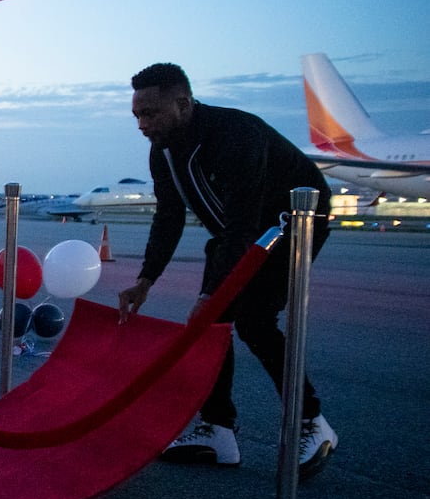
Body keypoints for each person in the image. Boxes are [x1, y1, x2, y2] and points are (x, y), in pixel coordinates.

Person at [116, 62, 338, 476]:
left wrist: (210, 294)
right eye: (137, 116)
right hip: (237, 234)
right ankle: (217, 432)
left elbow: (244, 221)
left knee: (253, 320)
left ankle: (314, 423)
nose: (142, 124)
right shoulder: (162, 149)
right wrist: (145, 281)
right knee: (211, 325)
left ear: (184, 103)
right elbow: (169, 215)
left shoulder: (236, 134)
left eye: (150, 114)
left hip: (292, 226)